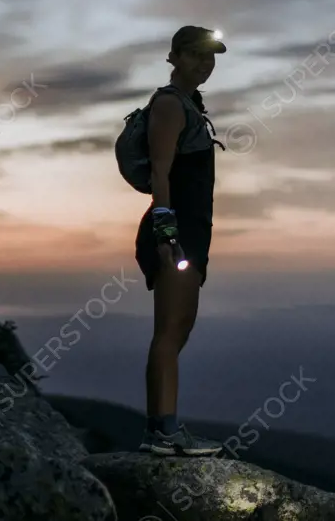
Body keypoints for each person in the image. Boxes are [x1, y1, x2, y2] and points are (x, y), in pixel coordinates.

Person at [136, 25, 225, 456]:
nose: (204, 63)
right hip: (175, 233)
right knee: (169, 333)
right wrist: (166, 234)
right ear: (173, 57)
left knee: (177, 331)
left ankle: (163, 427)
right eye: (194, 55)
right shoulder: (170, 105)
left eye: (209, 57)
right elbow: (160, 172)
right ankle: (164, 432)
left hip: (189, 233)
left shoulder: (189, 105)